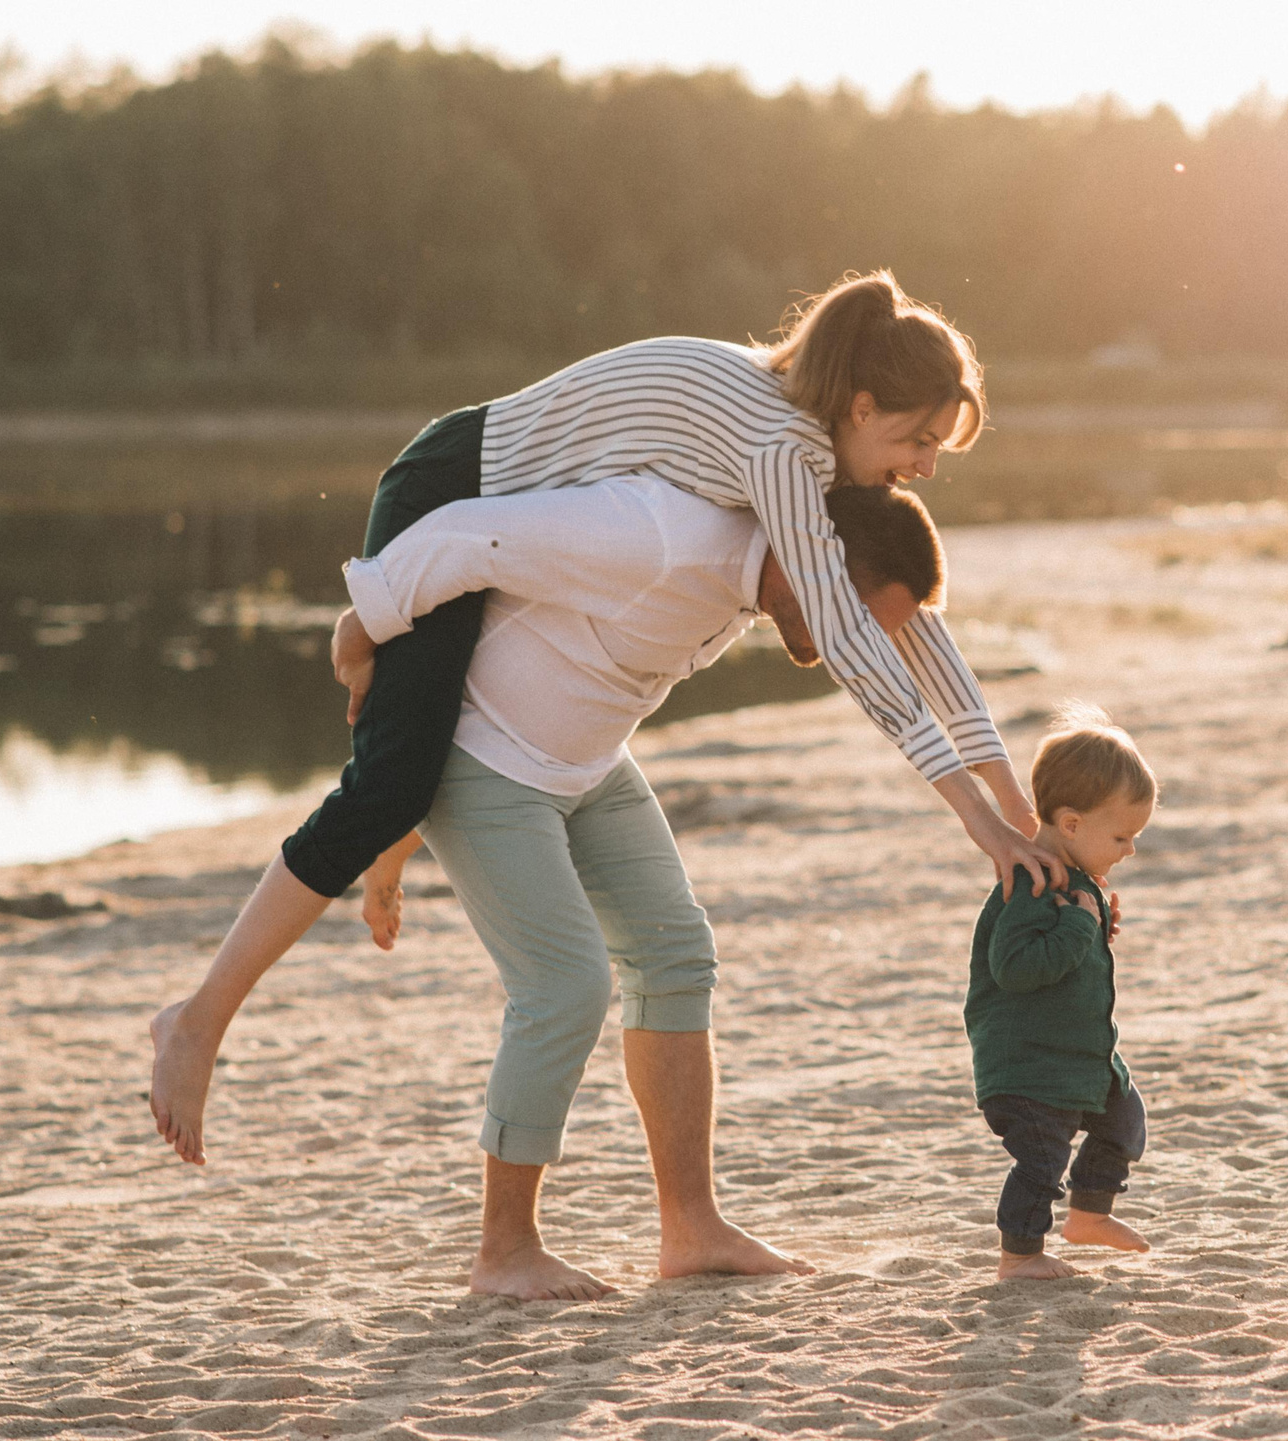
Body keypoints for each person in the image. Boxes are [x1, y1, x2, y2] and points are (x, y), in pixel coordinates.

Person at [150, 272, 1070, 1179]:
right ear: (861, 407)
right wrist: (371, 617)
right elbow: (845, 630)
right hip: (450, 486)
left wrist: (1012, 804)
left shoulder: (809, 443)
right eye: (918, 439)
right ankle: (198, 1019)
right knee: (391, 780)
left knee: (416, 759)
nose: (926, 466)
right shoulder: (785, 449)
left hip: (488, 521)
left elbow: (906, 627)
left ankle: (390, 806)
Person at [338, 476, 945, 1297]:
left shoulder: (745, 587)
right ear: (819, 558)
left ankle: (691, 1227)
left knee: (676, 955)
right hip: (485, 755)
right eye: (863, 616)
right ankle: (504, 1248)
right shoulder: (665, 541)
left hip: (588, 757)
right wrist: (364, 622)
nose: (858, 643)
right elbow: (472, 535)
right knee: (564, 986)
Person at [966, 705, 1158, 1280]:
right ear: (1071, 824)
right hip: (1031, 1066)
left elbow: (1066, 955)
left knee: (1124, 1121)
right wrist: (1077, 927)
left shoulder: (1076, 881)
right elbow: (1015, 968)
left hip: (1080, 1056)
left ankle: (1089, 1216)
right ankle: (1019, 1255)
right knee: (1042, 1159)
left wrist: (1093, 927)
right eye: (1122, 836)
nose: (1130, 850)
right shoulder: (1032, 881)